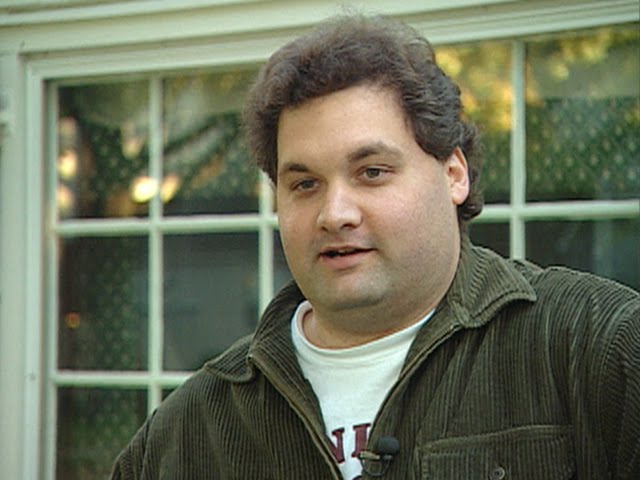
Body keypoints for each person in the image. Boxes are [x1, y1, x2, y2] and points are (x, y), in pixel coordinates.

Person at [111, 14, 640, 480]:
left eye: (372, 172)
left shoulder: (598, 349)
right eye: (304, 184)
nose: (335, 213)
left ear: (453, 173)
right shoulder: (187, 434)